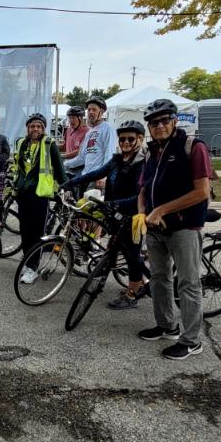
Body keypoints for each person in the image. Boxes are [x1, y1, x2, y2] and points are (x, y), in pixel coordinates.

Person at [135, 98, 213, 361]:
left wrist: (162, 210)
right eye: (153, 123)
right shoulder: (150, 152)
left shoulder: (192, 147)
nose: (159, 126)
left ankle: (191, 341)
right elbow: (143, 188)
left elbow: (202, 191)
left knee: (188, 283)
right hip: (155, 227)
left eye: (164, 120)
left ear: (175, 120)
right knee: (159, 278)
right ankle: (167, 325)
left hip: (183, 226)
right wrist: (143, 212)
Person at [62, 120, 149, 309]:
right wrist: (71, 182)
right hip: (116, 214)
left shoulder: (142, 164)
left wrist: (112, 204)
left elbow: (140, 197)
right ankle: (140, 283)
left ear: (140, 139)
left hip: (134, 217)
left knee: (132, 255)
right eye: (122, 138)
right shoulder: (118, 159)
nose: (125, 142)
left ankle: (132, 295)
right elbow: (96, 173)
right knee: (118, 249)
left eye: (130, 138)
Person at [12, 113, 67, 284]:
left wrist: (67, 187)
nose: (35, 129)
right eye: (32, 126)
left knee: (37, 233)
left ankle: (33, 267)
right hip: (23, 195)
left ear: (43, 129)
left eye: (38, 126)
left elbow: (59, 168)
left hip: (40, 195)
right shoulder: (21, 143)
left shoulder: (49, 144)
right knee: (25, 231)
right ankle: (29, 261)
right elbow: (18, 167)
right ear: (27, 128)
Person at [64, 97, 117, 192]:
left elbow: (109, 154)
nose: (90, 112)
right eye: (89, 110)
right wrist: (63, 164)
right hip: (85, 177)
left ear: (101, 111)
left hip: (97, 179)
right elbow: (81, 158)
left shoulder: (107, 128)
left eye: (94, 109)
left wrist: (103, 177)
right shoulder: (90, 132)